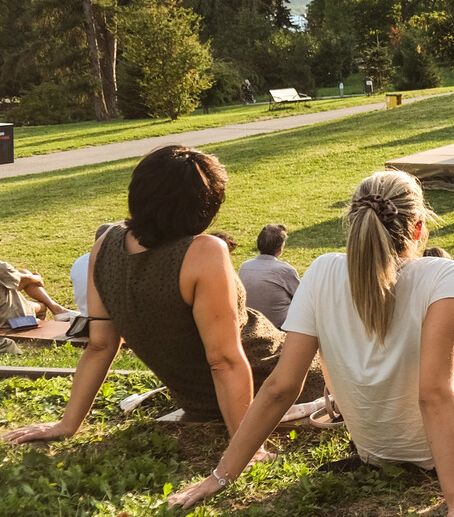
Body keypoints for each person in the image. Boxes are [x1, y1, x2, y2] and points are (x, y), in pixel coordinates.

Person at [166, 170, 454, 516]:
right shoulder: (440, 274)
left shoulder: (320, 271)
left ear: (353, 218)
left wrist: (217, 478)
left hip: (377, 450)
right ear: (419, 227)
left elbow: (279, 387)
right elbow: (434, 394)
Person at [5, 146, 324, 449]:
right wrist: (247, 448)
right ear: (205, 207)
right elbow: (223, 361)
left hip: (201, 400)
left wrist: (66, 425)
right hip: (278, 382)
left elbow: (101, 345)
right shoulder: (205, 252)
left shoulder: (105, 244)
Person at [239, 224, 300, 330]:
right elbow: (301, 298)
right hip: (278, 328)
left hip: (248, 326)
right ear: (281, 247)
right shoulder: (286, 271)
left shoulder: (245, 266)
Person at [0, 259, 74, 323]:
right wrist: (38, 278)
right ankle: (33, 335)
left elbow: (22, 277)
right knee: (42, 307)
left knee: (25, 273)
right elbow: (24, 279)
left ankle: (57, 310)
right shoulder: (2, 267)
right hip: (4, 315)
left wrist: (31, 278)